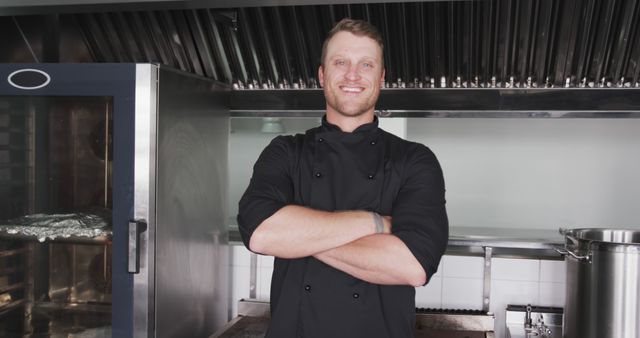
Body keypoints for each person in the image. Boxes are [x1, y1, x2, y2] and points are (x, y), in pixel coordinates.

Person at [237, 18, 448, 338]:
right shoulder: (285, 151)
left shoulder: (414, 160)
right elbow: (260, 233)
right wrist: (377, 223)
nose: (353, 74)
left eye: (366, 64)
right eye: (340, 62)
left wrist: (298, 238)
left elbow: (413, 266)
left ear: (381, 77)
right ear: (322, 75)